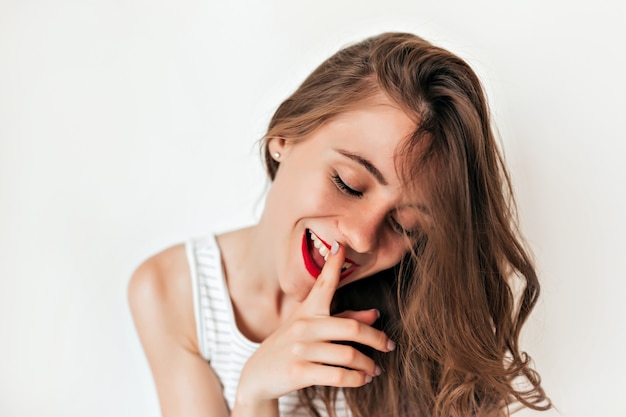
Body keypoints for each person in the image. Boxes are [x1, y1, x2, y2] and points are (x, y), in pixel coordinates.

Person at [128, 32, 552, 417]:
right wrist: (255, 396)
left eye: (404, 226)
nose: (362, 237)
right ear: (285, 138)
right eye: (348, 184)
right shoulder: (174, 291)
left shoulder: (424, 327)